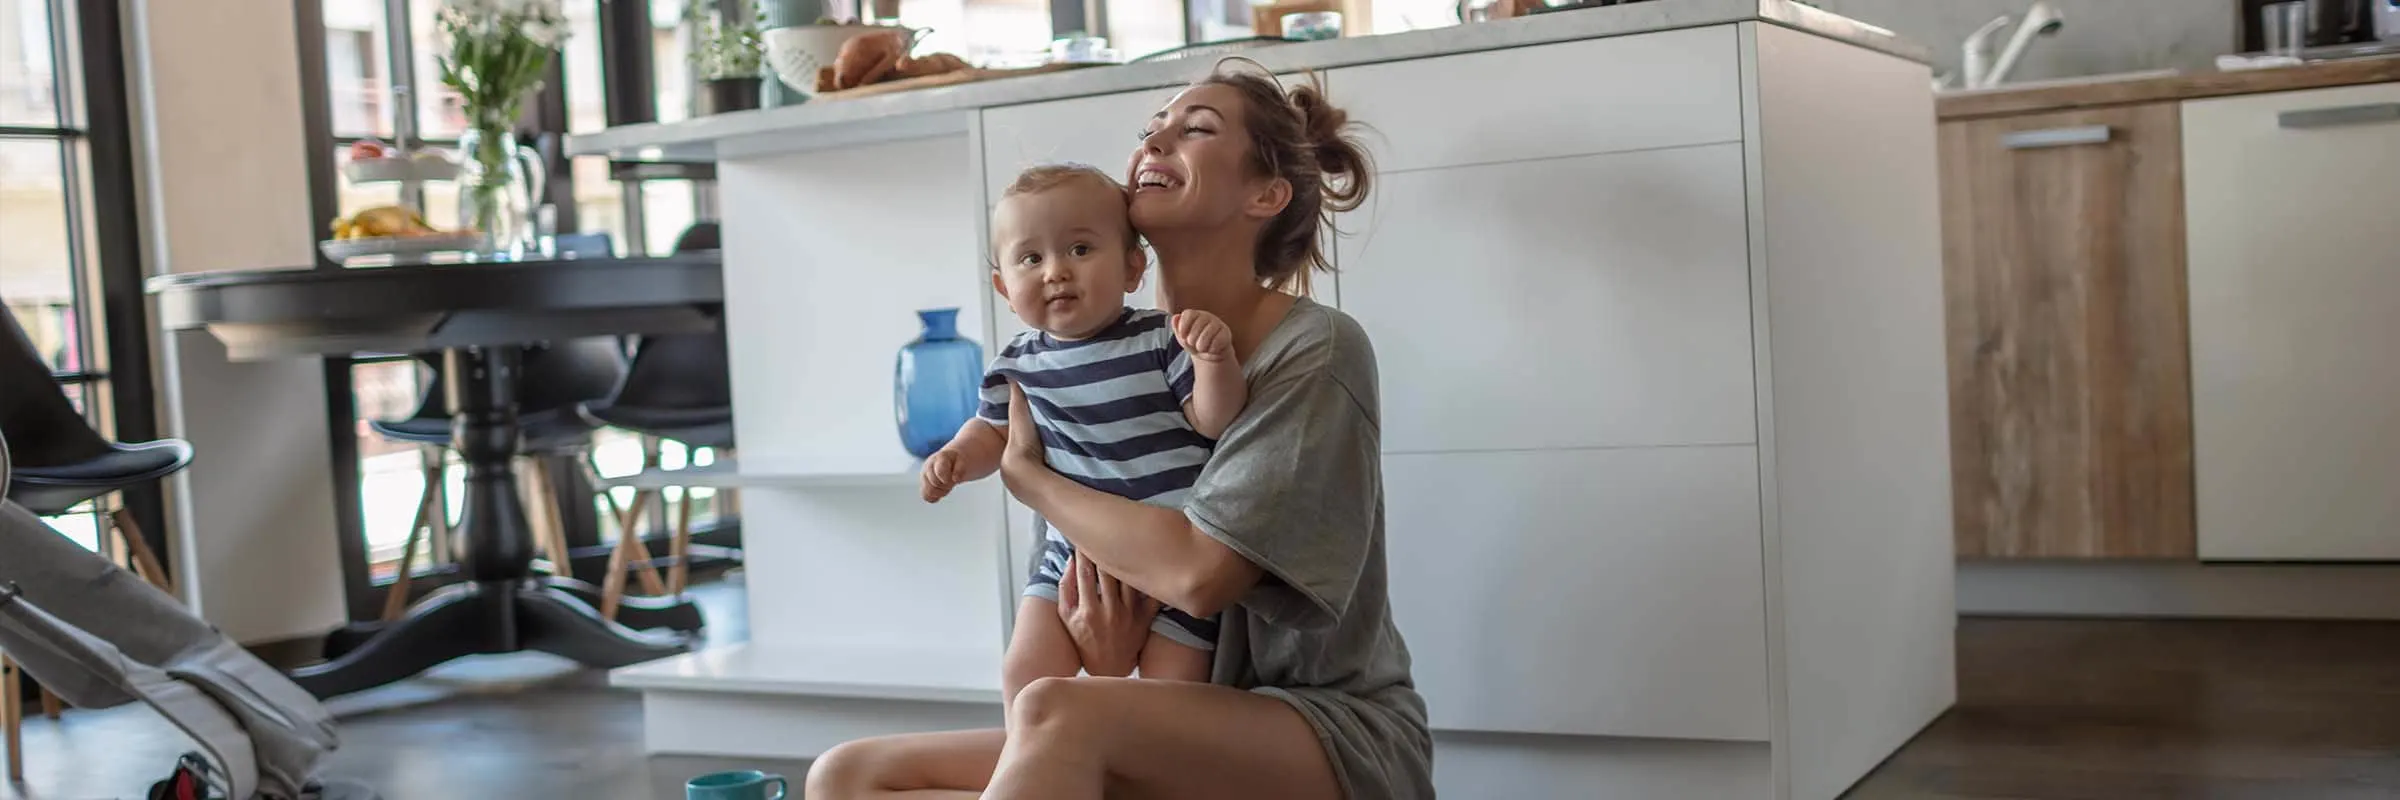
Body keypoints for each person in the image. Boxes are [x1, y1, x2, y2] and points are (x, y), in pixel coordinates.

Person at [806, 60, 1432, 800]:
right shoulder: (1088, 357)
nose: (1155, 141)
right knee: (847, 775)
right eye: (1150, 129)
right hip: (1143, 710)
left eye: (1194, 129)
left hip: (1323, 729)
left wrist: (1028, 479)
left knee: (1055, 711)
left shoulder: (1316, 348)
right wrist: (1110, 663)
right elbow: (1095, 597)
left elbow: (1198, 578)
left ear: (1265, 194)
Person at [921, 163, 1247, 704]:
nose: (1056, 272)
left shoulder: (1160, 339)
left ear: (1132, 267)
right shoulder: (1015, 365)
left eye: (1079, 250)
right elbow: (992, 433)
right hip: (1069, 559)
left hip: (1168, 555)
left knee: (1173, 703)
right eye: (1031, 258)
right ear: (1004, 287)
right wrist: (956, 456)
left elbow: (1214, 420)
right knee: (1024, 678)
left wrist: (1215, 361)